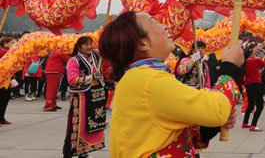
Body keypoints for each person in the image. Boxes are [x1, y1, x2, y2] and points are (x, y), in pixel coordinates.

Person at [99, 11, 243, 157]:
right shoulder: (149, 80)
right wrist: (230, 66)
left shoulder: (139, 77)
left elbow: (173, 136)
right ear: (142, 43)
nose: (164, 27)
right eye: (154, 21)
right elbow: (216, 111)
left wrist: (212, 124)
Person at [63, 36, 107, 158]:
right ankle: (73, 151)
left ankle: (84, 151)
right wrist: (91, 78)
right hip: (81, 97)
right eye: (86, 44)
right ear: (79, 46)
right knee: (80, 125)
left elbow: (106, 49)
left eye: (91, 44)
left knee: (94, 124)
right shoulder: (74, 60)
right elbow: (72, 80)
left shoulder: (96, 55)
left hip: (96, 95)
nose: (89, 46)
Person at [242, 43, 265, 132]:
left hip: (248, 84)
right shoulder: (256, 60)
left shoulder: (245, 62)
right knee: (260, 106)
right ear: (251, 54)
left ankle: (245, 122)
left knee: (251, 104)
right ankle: (253, 125)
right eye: (254, 51)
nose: (255, 52)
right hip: (256, 83)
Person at [0, 37, 15, 126]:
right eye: (11, 43)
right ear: (5, 43)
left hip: (7, 79)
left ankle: (2, 118)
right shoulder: (3, 52)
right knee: (2, 99)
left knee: (5, 99)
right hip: (2, 80)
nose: (13, 45)